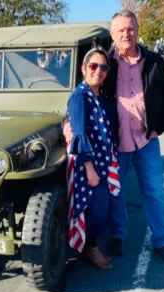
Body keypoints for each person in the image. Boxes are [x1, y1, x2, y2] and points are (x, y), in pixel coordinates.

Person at [64, 10, 164, 264]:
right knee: (116, 192)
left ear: (137, 30)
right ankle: (118, 236)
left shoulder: (154, 61)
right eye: (121, 30)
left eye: (131, 29)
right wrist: (68, 126)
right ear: (113, 34)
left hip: (146, 139)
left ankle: (163, 240)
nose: (127, 34)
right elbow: (81, 99)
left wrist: (161, 125)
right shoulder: (105, 63)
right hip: (117, 144)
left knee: (154, 192)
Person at [66, 45, 121, 270]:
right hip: (89, 165)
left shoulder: (103, 95)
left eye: (103, 67)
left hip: (105, 162)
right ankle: (91, 248)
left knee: (103, 206)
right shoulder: (79, 96)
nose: (98, 71)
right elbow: (79, 133)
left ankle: (93, 244)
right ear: (83, 68)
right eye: (93, 66)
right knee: (94, 208)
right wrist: (89, 168)